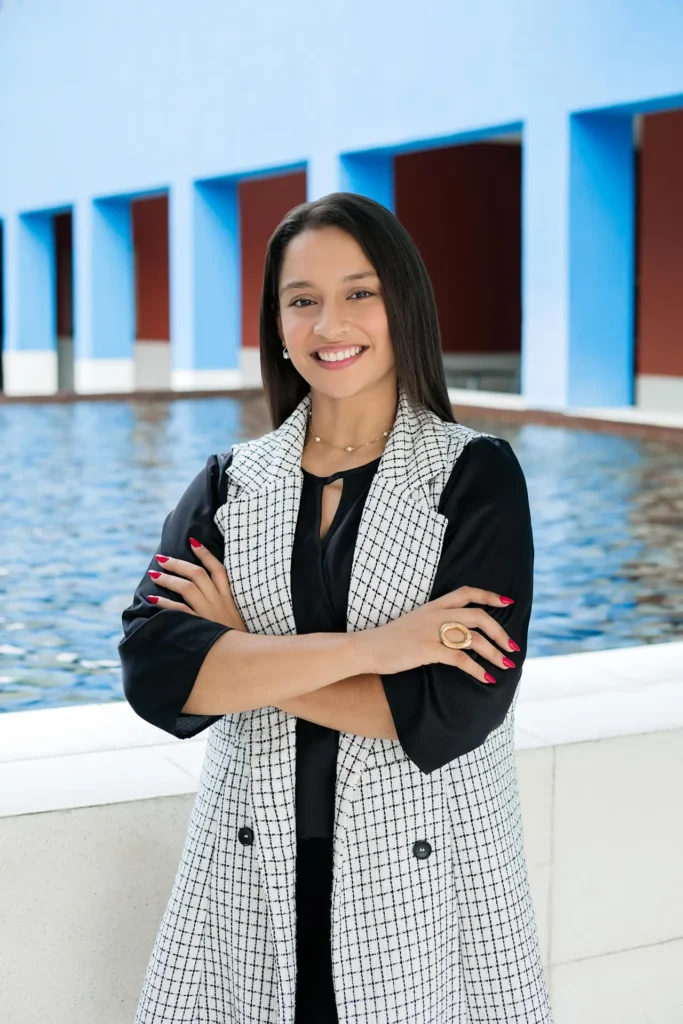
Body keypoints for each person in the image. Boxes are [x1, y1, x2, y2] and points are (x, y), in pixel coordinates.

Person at [118, 192, 553, 1024]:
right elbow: (155, 674)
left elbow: (451, 708)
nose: (329, 324)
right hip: (248, 873)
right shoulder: (229, 482)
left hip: (421, 886)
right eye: (301, 300)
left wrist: (239, 651)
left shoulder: (474, 477)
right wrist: (378, 648)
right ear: (277, 324)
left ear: (403, 303)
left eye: (359, 292)